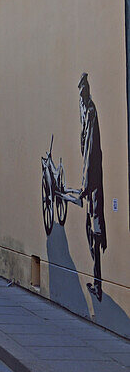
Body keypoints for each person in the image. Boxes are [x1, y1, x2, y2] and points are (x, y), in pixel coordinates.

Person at [76, 73, 106, 301]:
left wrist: (85, 182)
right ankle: (97, 281)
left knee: (95, 228)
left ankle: (98, 283)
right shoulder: (86, 112)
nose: (81, 96)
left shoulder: (90, 111)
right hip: (91, 179)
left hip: (94, 181)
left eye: (82, 92)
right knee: (92, 228)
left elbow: (91, 151)